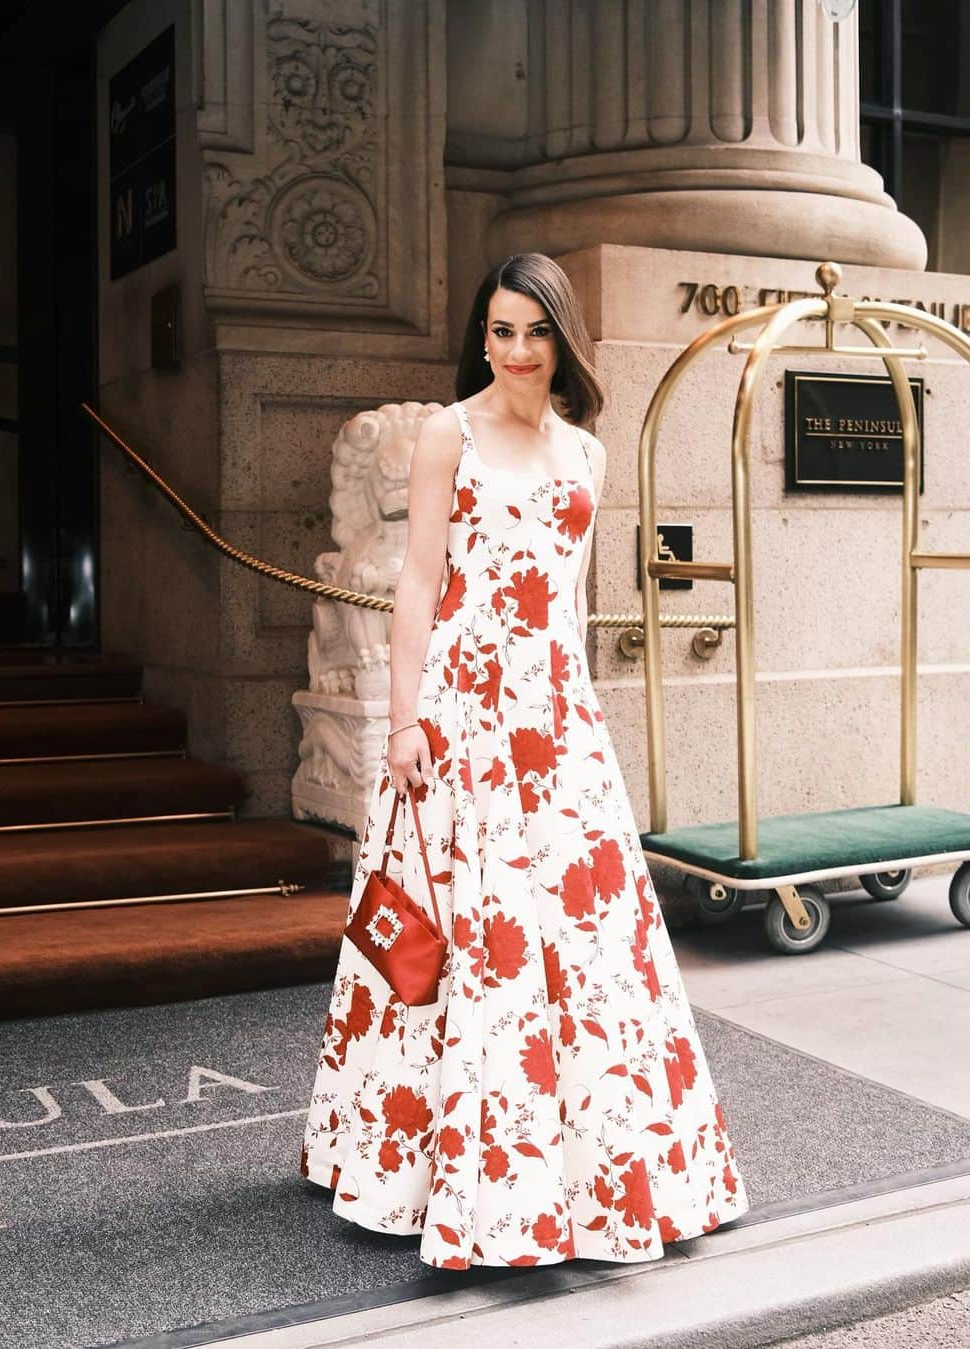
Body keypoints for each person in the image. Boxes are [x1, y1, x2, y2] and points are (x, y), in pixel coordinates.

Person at [301, 252, 750, 1269]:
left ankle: (597, 1172)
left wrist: (581, 722)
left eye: (534, 330)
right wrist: (406, 721)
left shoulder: (588, 455)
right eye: (500, 330)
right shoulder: (444, 435)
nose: (515, 349)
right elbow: (419, 582)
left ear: (561, 337)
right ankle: (434, 1168)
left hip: (559, 721)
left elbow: (575, 603)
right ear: (484, 336)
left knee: (590, 942)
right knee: (463, 933)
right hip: (463, 709)